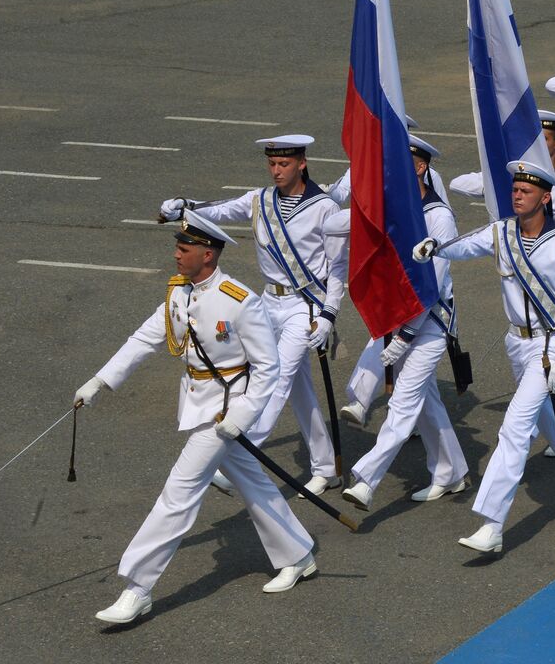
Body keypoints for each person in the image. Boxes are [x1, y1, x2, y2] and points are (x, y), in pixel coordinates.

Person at [74, 212, 315, 625]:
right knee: (254, 483)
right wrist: (100, 381)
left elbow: (268, 367)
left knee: (178, 494)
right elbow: (144, 339)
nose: (176, 255)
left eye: (183, 249)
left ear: (208, 254)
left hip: (225, 410)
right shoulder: (178, 293)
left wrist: (242, 415)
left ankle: (138, 588)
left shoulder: (239, 300)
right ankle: (298, 553)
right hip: (201, 404)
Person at [416, 160, 555, 553]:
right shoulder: (502, 232)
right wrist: (437, 248)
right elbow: (467, 246)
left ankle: (491, 523)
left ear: (545, 197)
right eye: (515, 189)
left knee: (514, 428)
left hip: (549, 347)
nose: (517, 194)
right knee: (551, 425)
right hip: (516, 344)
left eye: (526, 190)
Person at [160, 135, 344, 497]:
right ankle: (326, 468)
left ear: (302, 163)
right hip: (267, 304)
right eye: (272, 164)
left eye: (284, 164)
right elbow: (219, 211)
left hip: (303, 307)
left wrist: (329, 315)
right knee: (299, 390)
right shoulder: (260, 200)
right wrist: (184, 207)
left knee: (274, 379)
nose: (276, 171)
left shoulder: (325, 208)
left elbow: (338, 267)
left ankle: (238, 451)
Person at [340, 135, 470, 512]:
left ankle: (365, 479)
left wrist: (406, 333)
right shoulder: (393, 207)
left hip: (429, 324)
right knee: (425, 399)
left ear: (419, 166)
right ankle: (452, 471)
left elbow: (432, 284)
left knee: (404, 400)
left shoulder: (438, 217)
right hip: (397, 318)